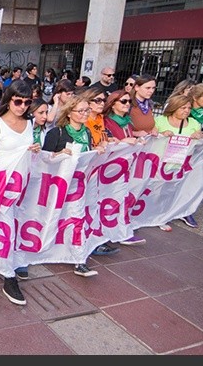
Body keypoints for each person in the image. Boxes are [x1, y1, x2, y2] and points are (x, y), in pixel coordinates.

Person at [41, 94, 108, 277]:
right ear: (69, 113)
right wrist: (59, 155)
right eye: (81, 111)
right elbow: (44, 161)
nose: (85, 114)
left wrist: (97, 150)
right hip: (60, 186)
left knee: (77, 219)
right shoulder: (57, 133)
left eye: (87, 110)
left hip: (79, 187)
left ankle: (79, 259)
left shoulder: (86, 132)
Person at [0, 81, 39, 299]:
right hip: (3, 186)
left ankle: (13, 260)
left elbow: (31, 152)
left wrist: (34, 150)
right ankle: (9, 277)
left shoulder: (31, 122)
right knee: (5, 227)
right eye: (18, 101)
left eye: (27, 102)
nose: (22, 106)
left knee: (19, 224)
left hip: (24, 185)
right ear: (9, 100)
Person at [100, 89, 146, 246]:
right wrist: (124, 141)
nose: (128, 105)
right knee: (111, 198)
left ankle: (120, 229)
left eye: (129, 102)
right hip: (111, 169)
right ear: (112, 105)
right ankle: (113, 230)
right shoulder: (107, 122)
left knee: (122, 197)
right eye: (124, 101)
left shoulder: (127, 121)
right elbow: (108, 142)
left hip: (126, 168)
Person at [78, 88, 121, 256]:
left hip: (98, 172)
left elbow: (104, 137)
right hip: (86, 172)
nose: (101, 103)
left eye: (103, 100)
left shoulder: (101, 119)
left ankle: (93, 240)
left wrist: (110, 140)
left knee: (93, 206)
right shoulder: (84, 122)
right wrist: (98, 147)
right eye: (97, 100)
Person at [154, 94, 203, 229]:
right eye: (183, 107)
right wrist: (161, 135)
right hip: (161, 162)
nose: (186, 111)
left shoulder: (194, 123)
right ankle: (157, 216)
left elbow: (201, 145)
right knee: (158, 190)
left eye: (188, 108)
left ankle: (180, 212)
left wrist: (198, 137)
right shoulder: (160, 120)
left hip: (183, 163)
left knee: (177, 189)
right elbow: (151, 138)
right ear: (174, 107)